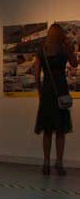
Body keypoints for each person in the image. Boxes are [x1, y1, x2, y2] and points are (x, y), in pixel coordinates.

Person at [34, 23, 77, 175]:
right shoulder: (63, 48)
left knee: (47, 130)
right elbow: (74, 63)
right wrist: (68, 48)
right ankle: (59, 162)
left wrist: (40, 93)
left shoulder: (42, 50)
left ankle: (46, 163)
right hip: (61, 90)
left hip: (47, 91)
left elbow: (36, 74)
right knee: (60, 130)